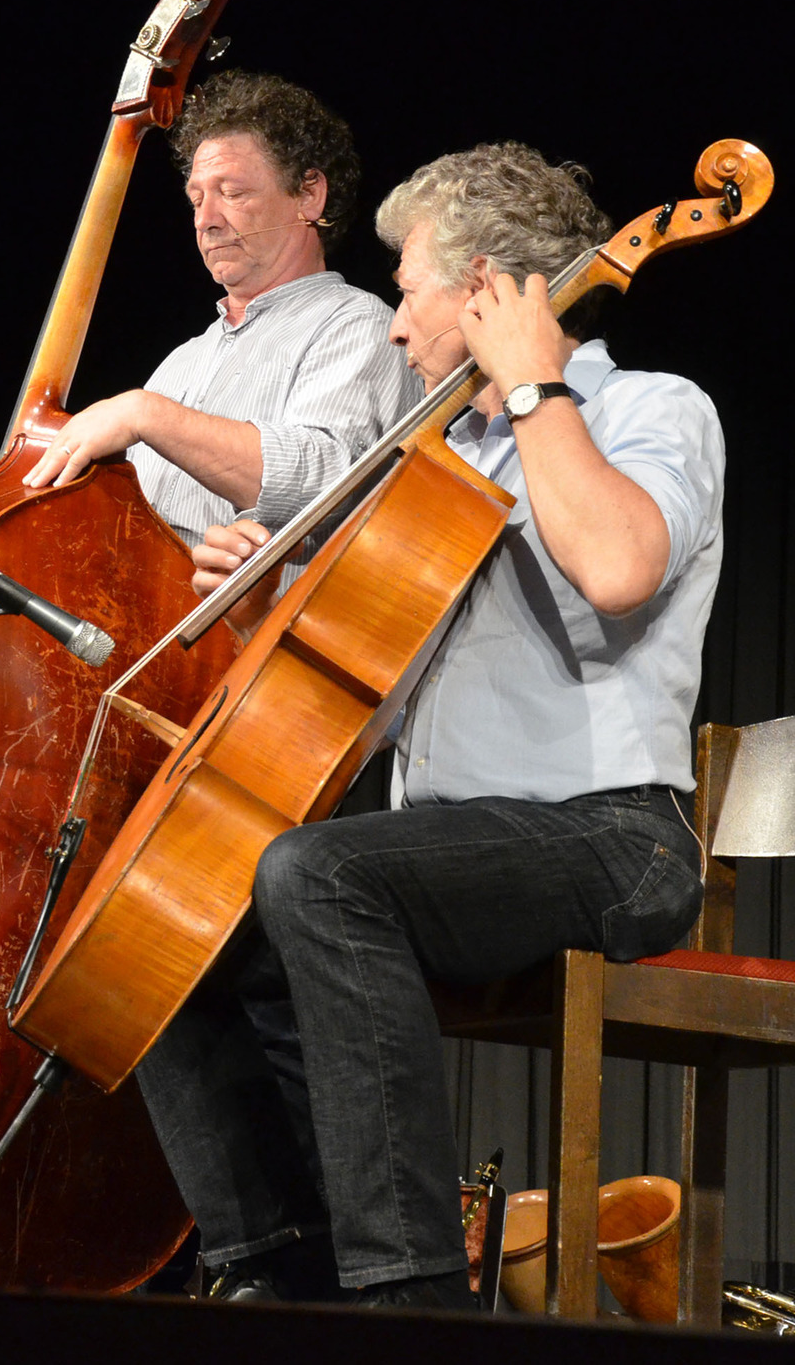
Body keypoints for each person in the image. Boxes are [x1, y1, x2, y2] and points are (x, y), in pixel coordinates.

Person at [136, 143, 721, 1309]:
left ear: (484, 289)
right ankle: (271, 1271)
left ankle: (407, 1297)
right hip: (445, 852)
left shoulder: (650, 408)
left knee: (322, 874)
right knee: (170, 914)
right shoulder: (433, 456)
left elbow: (612, 565)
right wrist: (271, 593)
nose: (395, 327)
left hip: (614, 840)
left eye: (405, 288)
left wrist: (529, 384)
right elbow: (365, 667)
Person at [24, 72, 416, 585]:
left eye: (231, 192)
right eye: (195, 198)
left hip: (252, 652)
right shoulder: (182, 361)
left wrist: (147, 413)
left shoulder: (355, 325)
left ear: (309, 196)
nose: (205, 220)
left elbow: (328, 479)